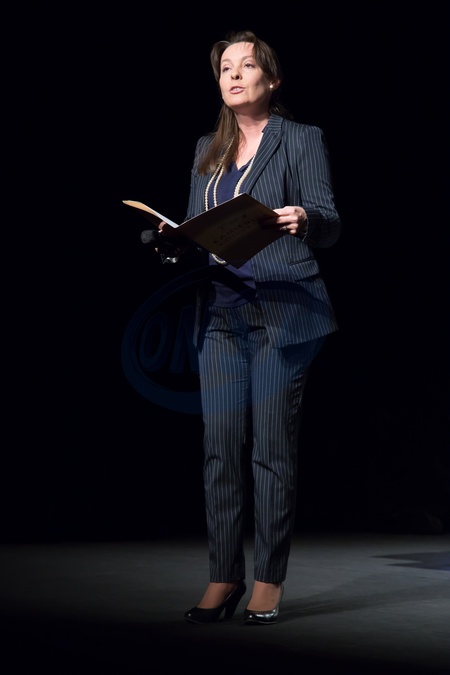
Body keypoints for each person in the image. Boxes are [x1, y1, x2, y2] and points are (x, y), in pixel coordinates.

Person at [156, 30, 342, 625]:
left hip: (283, 310)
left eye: (247, 66)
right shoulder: (206, 148)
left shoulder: (301, 138)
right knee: (218, 451)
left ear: (272, 79)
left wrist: (303, 218)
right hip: (222, 313)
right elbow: (200, 230)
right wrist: (174, 241)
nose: (234, 75)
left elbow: (330, 221)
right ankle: (224, 575)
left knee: (270, 451)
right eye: (225, 69)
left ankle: (267, 579)